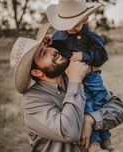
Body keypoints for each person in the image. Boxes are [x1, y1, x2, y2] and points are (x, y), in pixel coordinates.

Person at [9, 35, 123, 152]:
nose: (52, 50)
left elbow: (119, 108)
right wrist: (75, 81)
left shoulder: (78, 77)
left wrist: (91, 119)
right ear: (36, 72)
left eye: (46, 47)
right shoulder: (32, 101)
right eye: (43, 54)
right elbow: (69, 131)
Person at [46, 0, 114, 151]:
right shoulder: (57, 36)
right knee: (86, 104)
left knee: (100, 101)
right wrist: (48, 44)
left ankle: (106, 137)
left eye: (74, 23)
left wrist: (85, 55)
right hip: (74, 77)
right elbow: (52, 53)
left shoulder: (91, 37)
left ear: (85, 19)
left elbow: (102, 56)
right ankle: (94, 143)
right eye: (66, 24)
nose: (70, 27)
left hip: (92, 76)